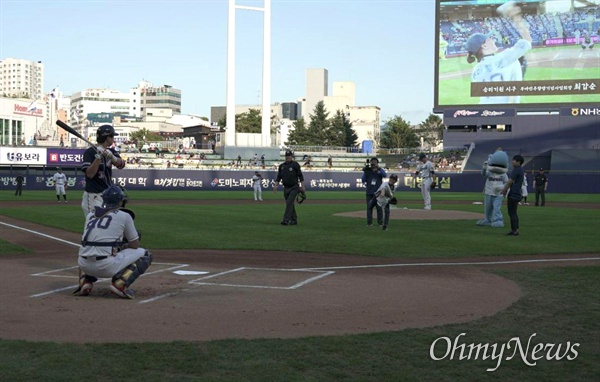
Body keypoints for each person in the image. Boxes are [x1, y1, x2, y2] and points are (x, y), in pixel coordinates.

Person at [74, 185, 153, 299]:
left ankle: (85, 281)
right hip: (106, 266)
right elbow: (135, 245)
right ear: (120, 201)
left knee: (90, 248)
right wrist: (124, 246)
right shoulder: (124, 215)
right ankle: (120, 284)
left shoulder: (91, 214)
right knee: (145, 254)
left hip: (83, 265)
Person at [465, 2, 532, 104]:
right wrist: (516, 17)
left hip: (484, 110)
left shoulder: (476, 71)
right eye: (489, 39)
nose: (493, 40)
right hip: (505, 113)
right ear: (484, 46)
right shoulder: (504, 58)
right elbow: (527, 40)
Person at [81, 125, 126, 217]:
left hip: (107, 195)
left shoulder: (111, 151)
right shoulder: (90, 152)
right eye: (112, 136)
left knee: (107, 224)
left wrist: (113, 158)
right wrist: (98, 157)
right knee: (94, 225)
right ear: (107, 137)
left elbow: (121, 165)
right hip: (94, 195)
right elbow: (90, 174)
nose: (113, 139)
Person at [273, 151, 305, 225]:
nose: (288, 157)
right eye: (287, 156)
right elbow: (279, 177)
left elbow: (300, 176)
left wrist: (302, 186)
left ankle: (286, 220)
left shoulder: (295, 164)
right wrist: (275, 185)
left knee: (289, 202)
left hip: (294, 187)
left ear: (291, 156)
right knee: (290, 204)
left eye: (289, 156)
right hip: (286, 188)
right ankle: (294, 220)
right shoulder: (281, 166)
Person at [502, 155, 525, 236]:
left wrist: (504, 190)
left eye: (514, 160)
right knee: (513, 212)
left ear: (518, 162)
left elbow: (510, 181)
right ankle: (515, 229)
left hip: (514, 193)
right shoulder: (521, 169)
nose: (512, 161)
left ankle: (514, 230)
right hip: (517, 192)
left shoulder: (516, 170)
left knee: (512, 213)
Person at [362, 157, 387, 226]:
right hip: (369, 192)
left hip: (378, 192)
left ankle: (380, 222)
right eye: (372, 162)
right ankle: (369, 222)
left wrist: (378, 168)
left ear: (377, 163)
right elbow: (363, 179)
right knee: (369, 208)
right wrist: (365, 170)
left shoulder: (379, 171)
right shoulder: (368, 171)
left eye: (375, 162)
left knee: (379, 208)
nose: (373, 164)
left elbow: (385, 175)